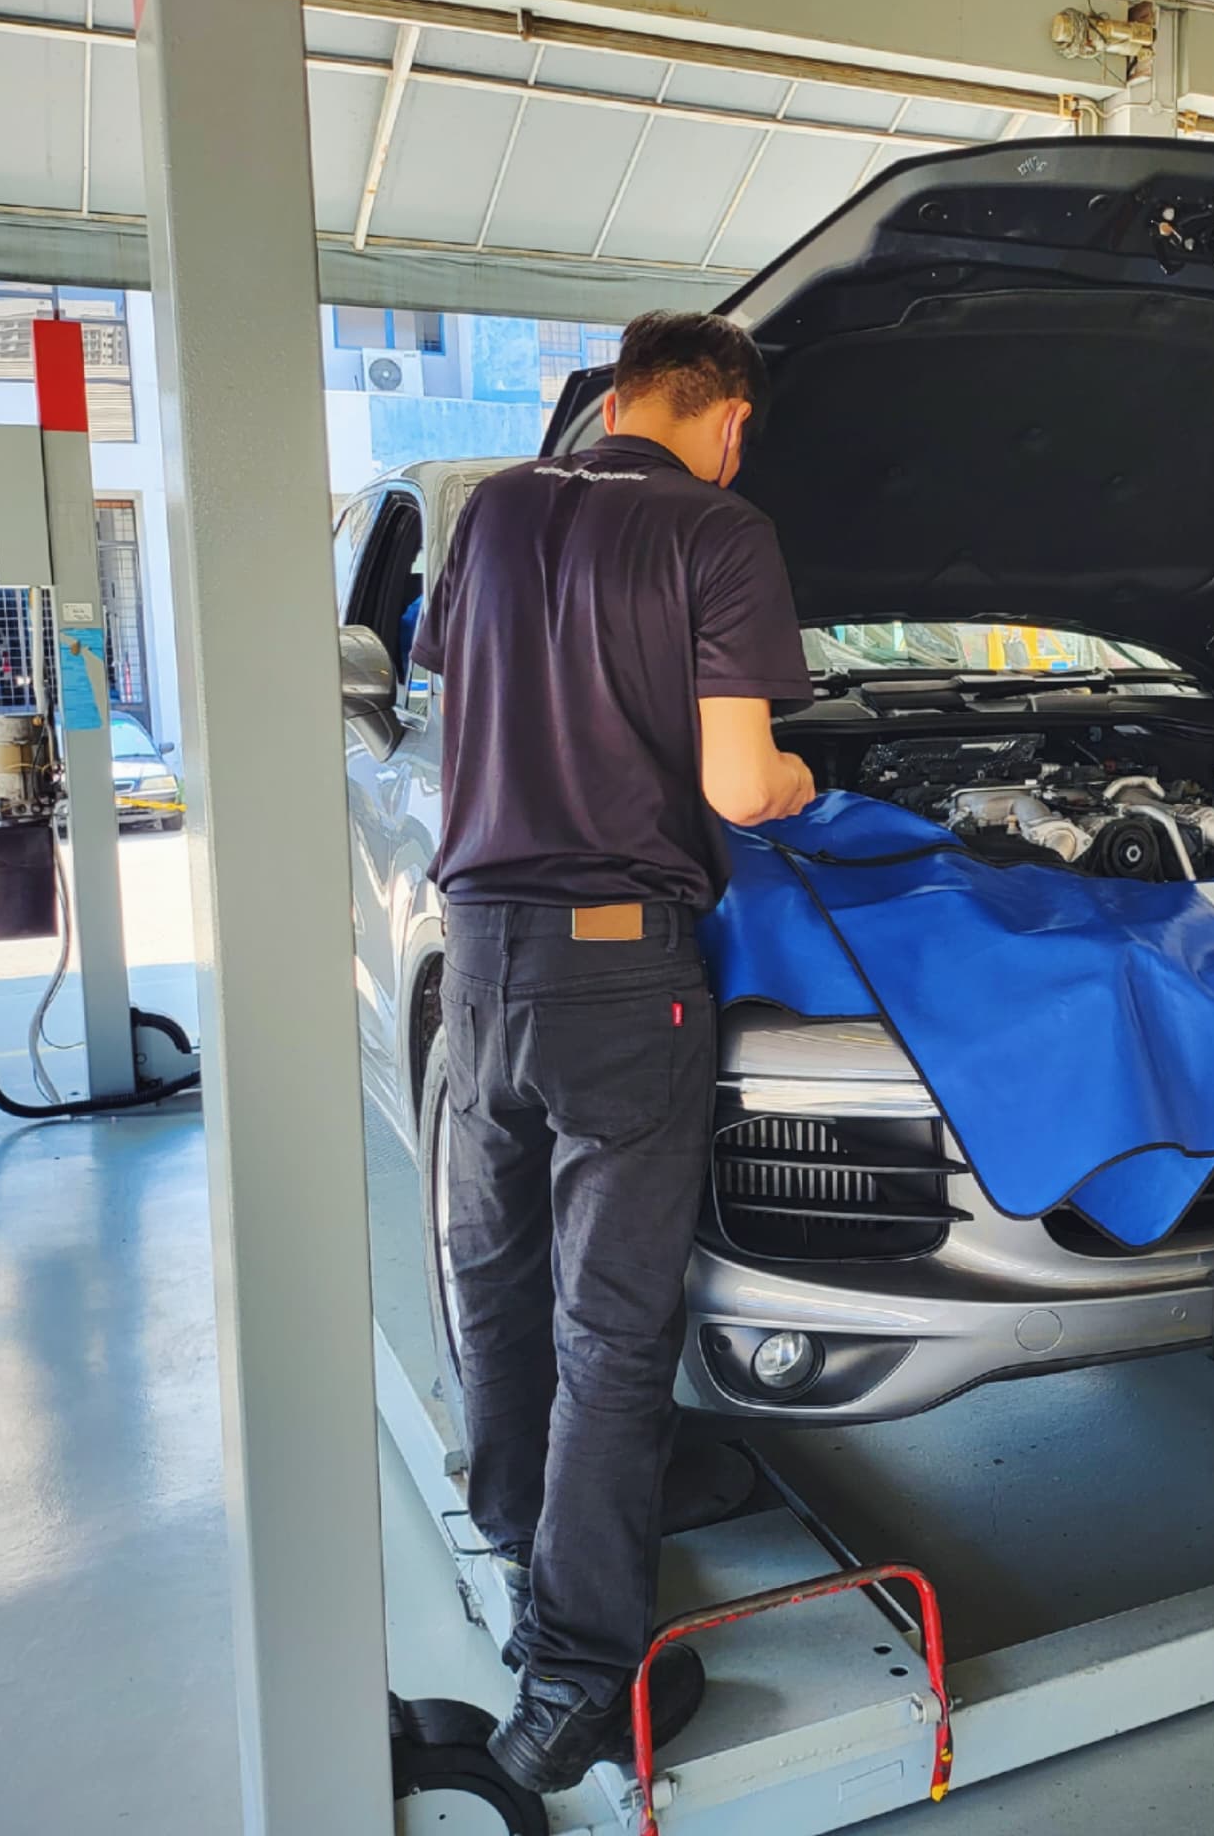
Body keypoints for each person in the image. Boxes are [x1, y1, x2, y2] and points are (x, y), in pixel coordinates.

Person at [411, 309, 816, 1793]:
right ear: (726, 420)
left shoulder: (501, 505)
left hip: (483, 954)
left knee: (496, 1269)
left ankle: (516, 1521)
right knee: (616, 1326)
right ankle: (581, 1669)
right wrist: (796, 775)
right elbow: (737, 779)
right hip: (616, 970)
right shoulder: (723, 532)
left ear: (617, 398)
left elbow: (467, 694)